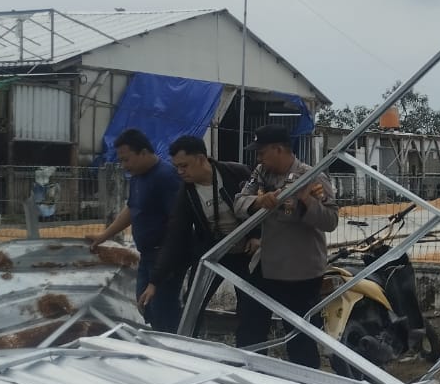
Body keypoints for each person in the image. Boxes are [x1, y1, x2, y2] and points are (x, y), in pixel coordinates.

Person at [233, 124, 339, 368]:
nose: (258, 158)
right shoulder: (261, 174)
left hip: (300, 272)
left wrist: (306, 200)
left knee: (299, 336)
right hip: (267, 265)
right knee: (250, 326)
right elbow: (239, 203)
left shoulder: (312, 176)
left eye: (261, 153)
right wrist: (259, 201)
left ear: (278, 150)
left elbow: (331, 221)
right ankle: (250, 376)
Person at [142, 136, 255, 333]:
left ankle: (249, 356)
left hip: (246, 253)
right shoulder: (187, 193)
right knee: (192, 305)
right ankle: (188, 349)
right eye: (177, 166)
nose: (180, 171)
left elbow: (260, 208)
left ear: (202, 158)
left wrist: (257, 236)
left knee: (250, 310)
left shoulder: (236, 173)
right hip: (212, 256)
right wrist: (154, 282)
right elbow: (174, 236)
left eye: (184, 165)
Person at [89, 128, 182, 331]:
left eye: (126, 159)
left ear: (143, 152)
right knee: (145, 305)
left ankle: (171, 349)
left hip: (164, 256)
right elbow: (132, 209)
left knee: (162, 309)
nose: (124, 166)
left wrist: (164, 264)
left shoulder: (166, 178)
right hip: (147, 255)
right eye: (121, 160)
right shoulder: (138, 177)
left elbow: (178, 224)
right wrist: (103, 236)